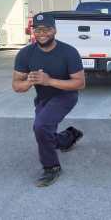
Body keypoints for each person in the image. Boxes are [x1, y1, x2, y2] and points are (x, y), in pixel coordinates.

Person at [12, 13, 85, 187]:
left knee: (41, 125)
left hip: (66, 94)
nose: (41, 33)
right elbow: (16, 85)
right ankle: (69, 136)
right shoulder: (25, 54)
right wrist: (30, 81)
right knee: (44, 133)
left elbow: (80, 83)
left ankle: (51, 166)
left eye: (46, 29)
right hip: (43, 98)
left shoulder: (69, 52)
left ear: (54, 30)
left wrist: (49, 80)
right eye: (37, 29)